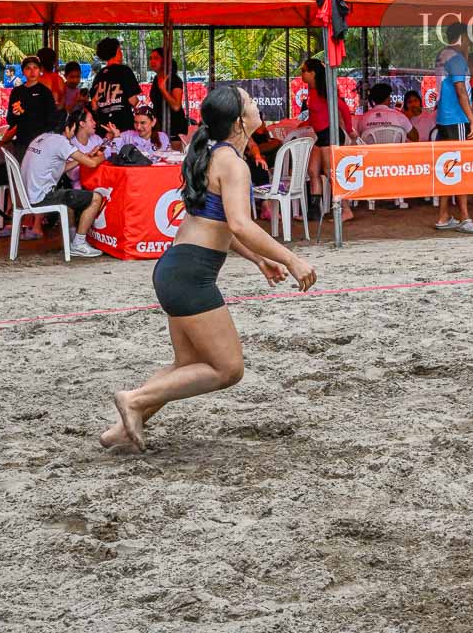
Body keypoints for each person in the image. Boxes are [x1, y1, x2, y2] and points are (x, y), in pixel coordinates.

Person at [103, 84, 317, 452]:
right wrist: (292, 259)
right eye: (250, 102)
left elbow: (217, 225)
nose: (256, 104)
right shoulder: (233, 163)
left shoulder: (214, 153)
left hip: (176, 268)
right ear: (239, 122)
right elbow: (240, 225)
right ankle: (134, 400)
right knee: (228, 369)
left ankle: (119, 430)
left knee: (187, 364)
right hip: (190, 276)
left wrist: (258, 259)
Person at [21, 107, 107, 258]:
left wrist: (85, 156)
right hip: (42, 197)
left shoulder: (42, 138)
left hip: (28, 195)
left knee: (67, 199)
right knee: (96, 198)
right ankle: (79, 243)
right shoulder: (60, 142)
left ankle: (72, 242)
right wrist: (104, 156)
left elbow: (61, 169)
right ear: (69, 127)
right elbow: (93, 164)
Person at [433, 21, 473, 234]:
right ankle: (464, 216)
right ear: (463, 37)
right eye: (469, 39)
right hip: (457, 118)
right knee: (459, 167)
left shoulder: (442, 55)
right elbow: (461, 90)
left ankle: (443, 215)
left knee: (448, 165)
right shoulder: (457, 59)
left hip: (444, 119)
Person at [299, 59, 355, 221]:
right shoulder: (312, 91)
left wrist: (349, 129)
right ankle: (314, 212)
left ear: (312, 73)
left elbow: (343, 108)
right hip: (321, 135)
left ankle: (346, 209)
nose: (301, 74)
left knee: (331, 173)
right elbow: (316, 114)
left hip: (330, 134)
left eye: (303, 71)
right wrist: (304, 124)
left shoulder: (325, 90)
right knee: (312, 171)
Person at [1, 56, 56, 161]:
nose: (32, 71)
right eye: (28, 68)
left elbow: (52, 119)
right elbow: (10, 120)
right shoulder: (16, 92)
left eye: (35, 67)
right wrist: (15, 114)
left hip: (41, 142)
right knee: (22, 169)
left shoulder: (45, 92)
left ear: (40, 70)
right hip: (22, 142)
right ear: (23, 71)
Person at [90, 37, 141, 133]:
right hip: (123, 126)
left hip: (104, 127)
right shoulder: (124, 71)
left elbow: (94, 106)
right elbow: (133, 100)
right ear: (117, 52)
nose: (121, 53)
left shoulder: (99, 75)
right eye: (120, 50)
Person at [148, 48, 189, 140]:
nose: (152, 61)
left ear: (164, 61)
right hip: (159, 126)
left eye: (156, 58)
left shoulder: (174, 79)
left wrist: (163, 89)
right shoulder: (156, 79)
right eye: (150, 58)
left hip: (174, 126)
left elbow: (176, 106)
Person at [67, 107, 104, 187]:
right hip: (80, 188)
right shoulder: (70, 144)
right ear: (82, 124)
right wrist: (88, 158)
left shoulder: (96, 138)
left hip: (99, 182)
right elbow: (73, 176)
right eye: (91, 120)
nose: (95, 123)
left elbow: (108, 157)